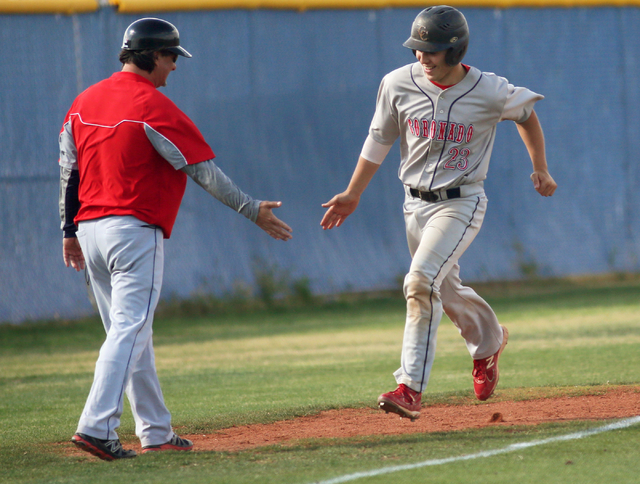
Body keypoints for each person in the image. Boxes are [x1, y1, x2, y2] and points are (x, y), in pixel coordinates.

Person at [59, 17, 292, 460]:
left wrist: (68, 231)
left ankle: (155, 431)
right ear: (150, 55)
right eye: (170, 56)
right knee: (129, 331)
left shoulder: (83, 102)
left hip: (89, 233)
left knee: (129, 334)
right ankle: (95, 427)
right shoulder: (153, 106)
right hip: (132, 231)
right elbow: (201, 170)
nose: (174, 66)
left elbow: (69, 174)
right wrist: (251, 208)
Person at [320, 6, 556, 421]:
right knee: (442, 291)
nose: (422, 57)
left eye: (431, 50)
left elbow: (527, 116)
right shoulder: (397, 83)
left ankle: (409, 387)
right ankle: (489, 343)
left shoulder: (489, 89)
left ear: (455, 48)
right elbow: (378, 140)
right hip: (413, 204)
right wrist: (353, 193)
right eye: (418, 48)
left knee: (419, 281)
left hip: (461, 202)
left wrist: (540, 167)